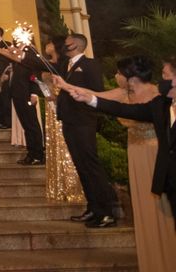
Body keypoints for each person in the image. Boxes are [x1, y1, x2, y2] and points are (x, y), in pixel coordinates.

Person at [62, 57, 176, 270]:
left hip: (158, 158)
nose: (164, 81)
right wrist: (84, 96)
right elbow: (122, 109)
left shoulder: (159, 96)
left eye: (168, 76)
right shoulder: (155, 101)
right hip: (144, 159)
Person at [55, 33, 117, 228]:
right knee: (81, 165)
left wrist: (69, 88)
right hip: (69, 120)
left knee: (90, 164)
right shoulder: (65, 65)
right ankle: (93, 207)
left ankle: (106, 212)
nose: (63, 45)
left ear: (74, 45)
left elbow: (97, 92)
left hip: (84, 120)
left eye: (66, 43)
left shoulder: (90, 65)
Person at [41, 36, 84, 203]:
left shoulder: (64, 65)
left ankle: (72, 185)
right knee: (54, 144)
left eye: (50, 43)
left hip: (63, 107)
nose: (47, 45)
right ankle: (58, 185)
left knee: (65, 144)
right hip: (51, 107)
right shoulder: (46, 63)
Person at [0, 38, 44, 165]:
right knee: (27, 125)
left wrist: (34, 92)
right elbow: (11, 59)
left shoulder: (29, 50)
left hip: (26, 93)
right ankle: (31, 154)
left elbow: (35, 72)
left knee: (32, 125)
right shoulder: (19, 50)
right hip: (17, 93)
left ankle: (38, 155)